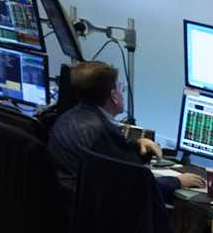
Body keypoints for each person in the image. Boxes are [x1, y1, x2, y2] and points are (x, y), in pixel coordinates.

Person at [47, 60, 203, 199]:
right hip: (94, 213)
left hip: (70, 206)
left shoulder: (67, 118)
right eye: (120, 87)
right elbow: (136, 189)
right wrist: (178, 181)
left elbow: (114, 162)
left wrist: (138, 146)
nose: (122, 92)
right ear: (113, 95)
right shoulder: (103, 131)